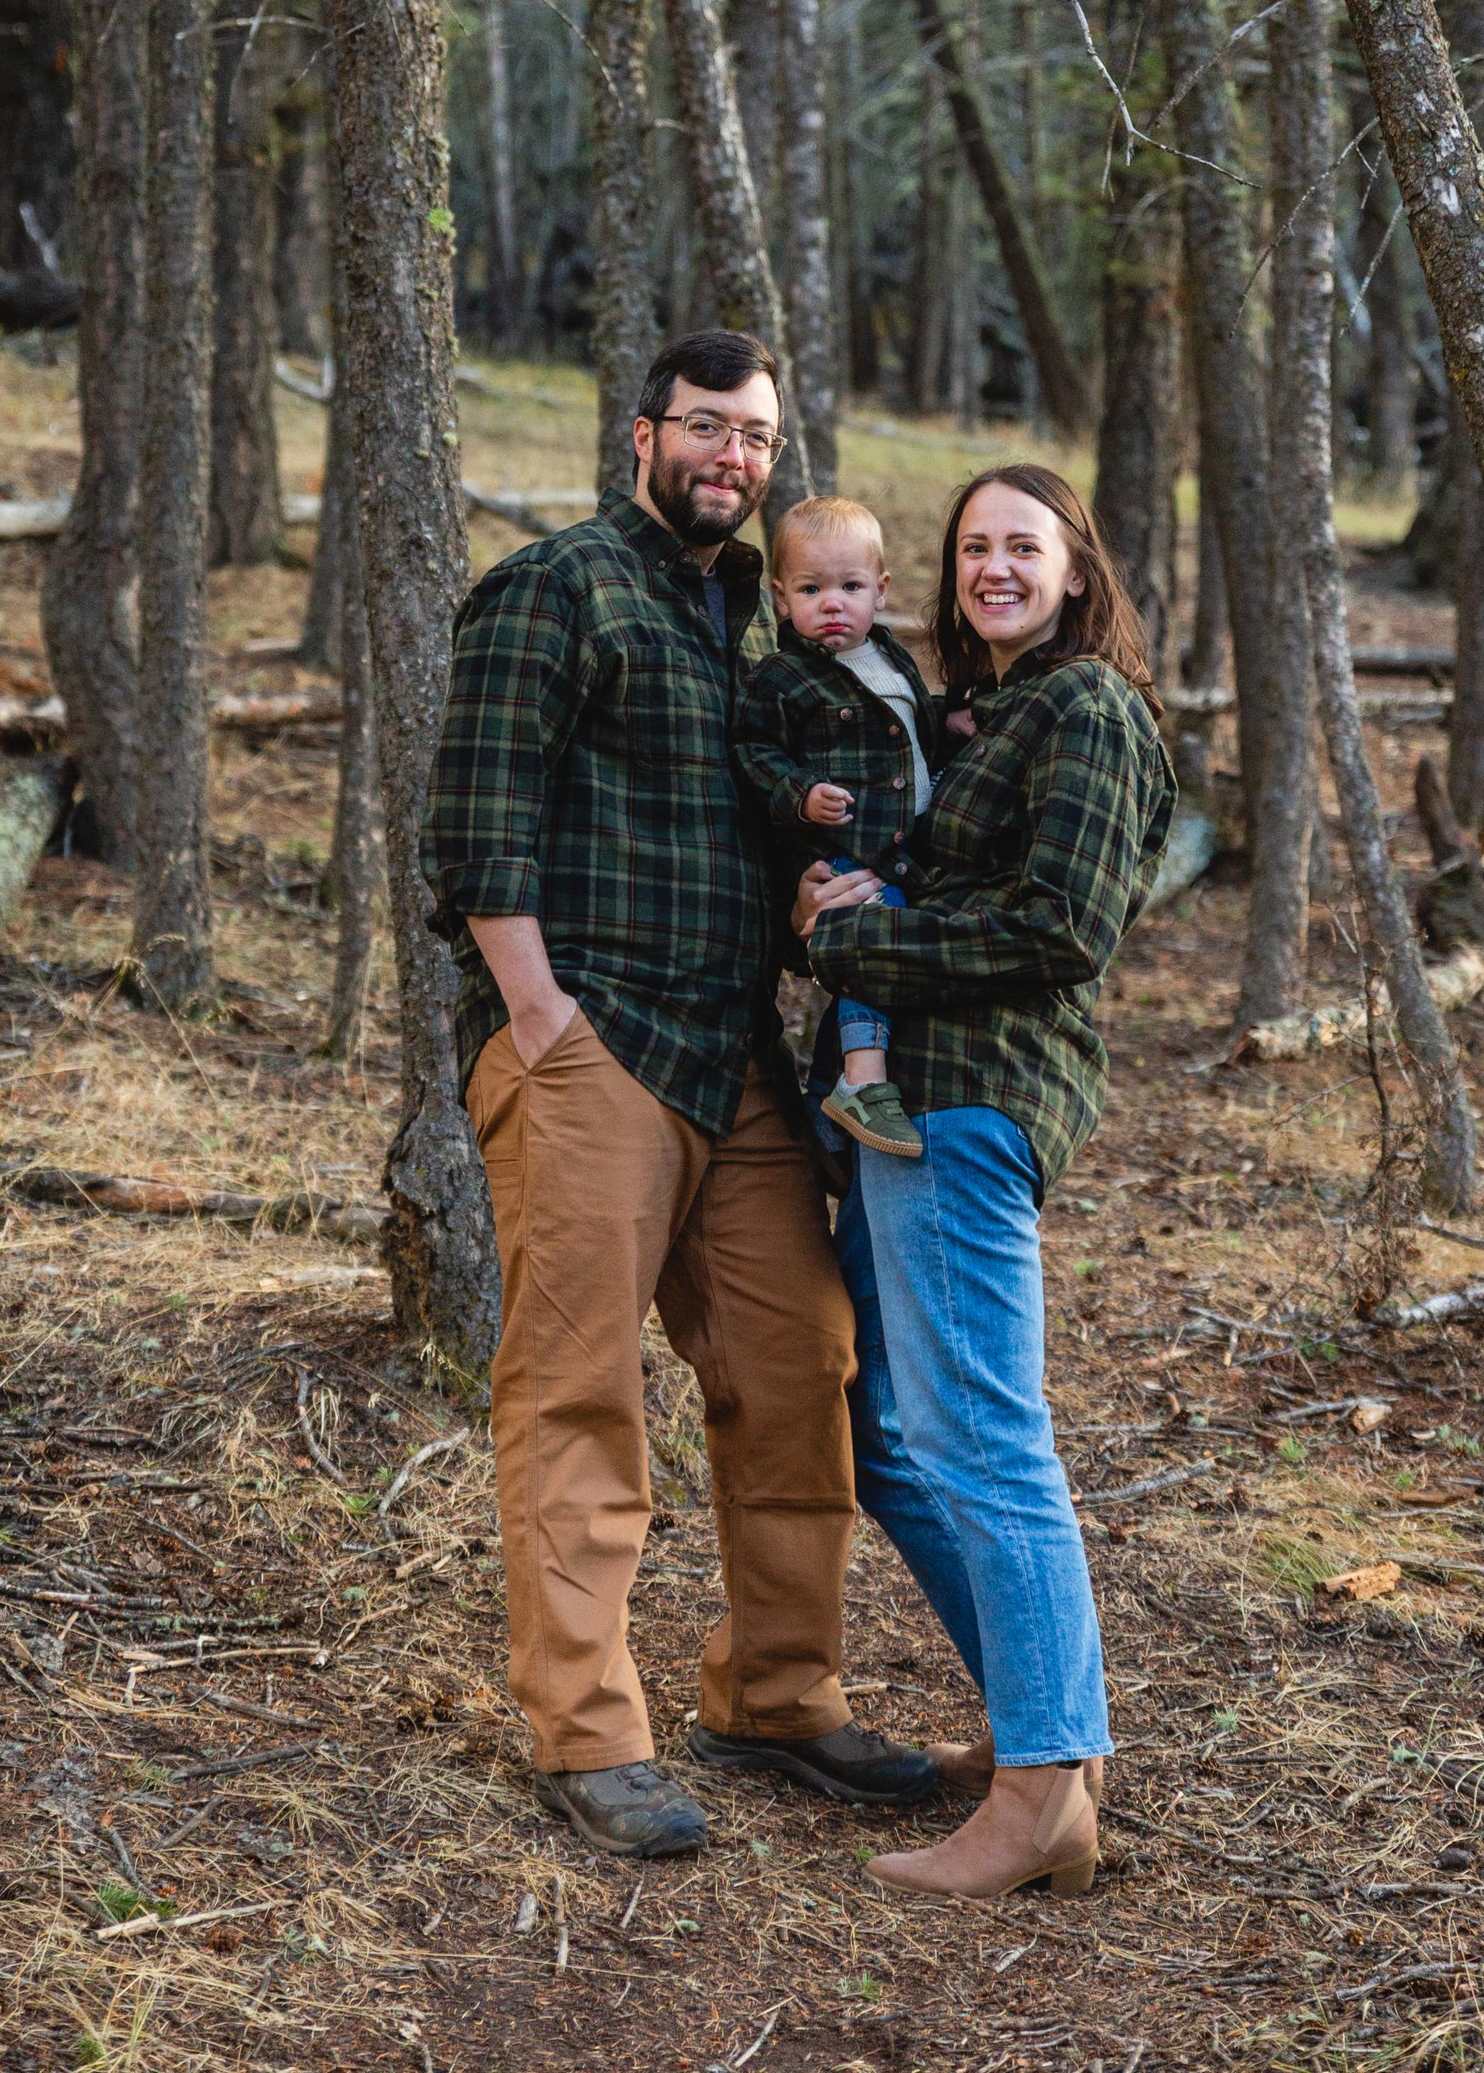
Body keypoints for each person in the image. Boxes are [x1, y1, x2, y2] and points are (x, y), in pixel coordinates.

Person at [421, 330, 940, 1861]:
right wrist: (540, 1020)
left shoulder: (758, 629)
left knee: (802, 1368)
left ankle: (777, 1695)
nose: (732, 455)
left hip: (738, 1058)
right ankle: (586, 1732)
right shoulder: (556, 587)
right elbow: (473, 820)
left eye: (757, 436)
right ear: (644, 433)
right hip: (594, 1048)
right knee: (577, 1388)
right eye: (707, 427)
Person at [794, 465, 1178, 1902]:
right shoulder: (989, 715)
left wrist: (858, 951)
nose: (993, 568)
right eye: (971, 548)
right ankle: (1047, 1743)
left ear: (1079, 570)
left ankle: (1044, 1795)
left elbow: (1062, 932)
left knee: (984, 1440)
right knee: (887, 1434)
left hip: (965, 1099)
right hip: (912, 1108)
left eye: (1024, 546)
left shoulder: (1088, 710)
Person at [734, 496, 946, 1159]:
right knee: (871, 947)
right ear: (780, 597)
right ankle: (861, 1079)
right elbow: (751, 750)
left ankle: (831, 1110)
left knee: (889, 963)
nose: (833, 603)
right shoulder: (784, 678)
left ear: (880, 592)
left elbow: (911, 730)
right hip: (849, 858)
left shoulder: (891, 659)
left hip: (908, 852)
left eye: (850, 587)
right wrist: (800, 795)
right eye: (811, 588)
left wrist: (952, 725)